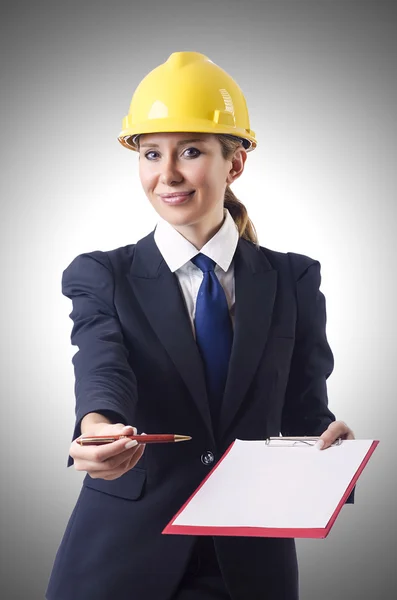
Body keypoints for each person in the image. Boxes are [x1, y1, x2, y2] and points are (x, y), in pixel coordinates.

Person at [46, 51, 355, 600]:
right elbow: (101, 366)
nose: (167, 174)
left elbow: (305, 414)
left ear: (234, 163)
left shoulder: (293, 278)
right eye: (150, 153)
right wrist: (96, 426)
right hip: (121, 558)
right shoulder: (101, 274)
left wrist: (333, 452)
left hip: (250, 563)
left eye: (190, 151)